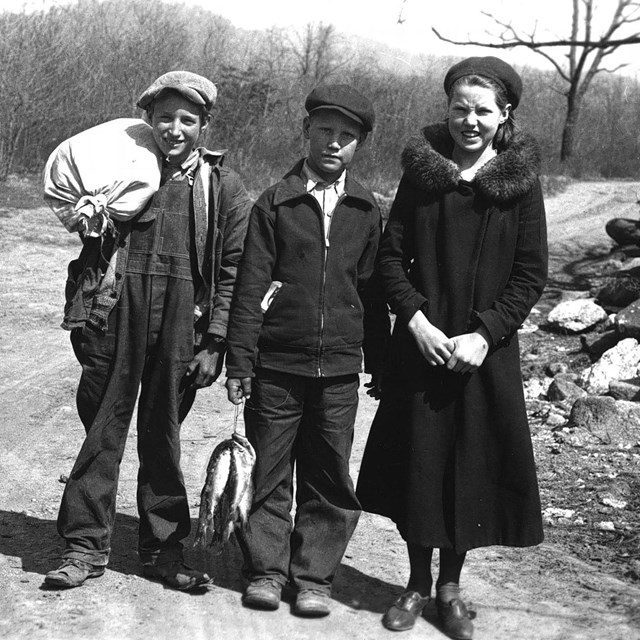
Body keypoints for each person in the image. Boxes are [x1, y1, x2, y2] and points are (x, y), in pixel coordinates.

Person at [356, 57, 548, 639]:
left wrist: (486, 334)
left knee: (468, 465)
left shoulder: (519, 183)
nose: (470, 120)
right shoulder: (423, 175)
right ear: (446, 109)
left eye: (483, 110)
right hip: (422, 348)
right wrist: (414, 319)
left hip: (483, 356)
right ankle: (415, 583)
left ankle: (451, 589)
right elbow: (390, 258)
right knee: (420, 461)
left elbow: (530, 274)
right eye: (460, 107)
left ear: (504, 114)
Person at [44, 71, 252, 591]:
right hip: (116, 312)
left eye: (187, 119)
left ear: (205, 124)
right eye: (164, 117)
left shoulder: (222, 185)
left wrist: (215, 341)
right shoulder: (119, 170)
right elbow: (83, 229)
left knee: (164, 437)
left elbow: (232, 268)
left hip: (184, 321)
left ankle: (164, 551)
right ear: (148, 119)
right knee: (102, 432)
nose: (174, 129)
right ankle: (84, 547)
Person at [224, 84, 383, 618]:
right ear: (306, 134)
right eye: (325, 132)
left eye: (347, 136)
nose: (334, 144)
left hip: (338, 369)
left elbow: (371, 292)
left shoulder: (365, 208)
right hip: (277, 365)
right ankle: (265, 571)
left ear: (359, 145)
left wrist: (375, 363)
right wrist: (240, 361)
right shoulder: (276, 201)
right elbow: (250, 287)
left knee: (330, 474)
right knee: (268, 469)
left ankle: (313, 577)